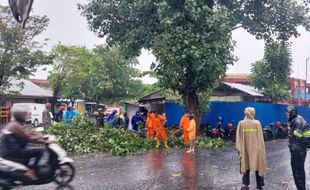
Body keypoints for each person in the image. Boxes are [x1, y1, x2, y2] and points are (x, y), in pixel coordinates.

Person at [0, 106, 53, 179]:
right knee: (40, 150)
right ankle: (33, 170)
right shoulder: (15, 125)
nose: (27, 116)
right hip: (13, 152)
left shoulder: (14, 124)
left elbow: (26, 134)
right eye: (25, 114)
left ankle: (26, 168)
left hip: (10, 150)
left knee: (30, 148)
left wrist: (39, 136)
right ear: (21, 116)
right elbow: (28, 137)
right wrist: (44, 141)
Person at [236, 107, 266, 190]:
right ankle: (260, 185)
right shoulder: (257, 123)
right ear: (252, 113)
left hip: (245, 149)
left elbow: (238, 138)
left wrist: (239, 148)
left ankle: (245, 185)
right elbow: (260, 138)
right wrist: (262, 150)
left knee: (245, 165)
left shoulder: (241, 123)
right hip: (256, 149)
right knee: (258, 165)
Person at [285, 105, 310, 190]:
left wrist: (289, 130)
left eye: (287, 113)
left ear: (292, 113)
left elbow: (296, 136)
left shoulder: (298, 121)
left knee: (297, 171)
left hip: (298, 150)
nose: (286, 115)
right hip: (299, 149)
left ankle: (301, 188)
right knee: (298, 170)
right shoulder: (296, 119)